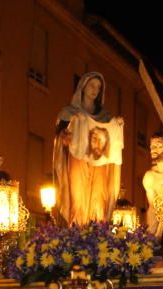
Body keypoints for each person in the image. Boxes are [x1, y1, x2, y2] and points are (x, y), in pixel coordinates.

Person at [53, 72, 123, 225]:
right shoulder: (69, 113)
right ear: (83, 87)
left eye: (98, 87)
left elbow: (111, 136)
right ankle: (77, 230)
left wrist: (116, 124)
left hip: (99, 164)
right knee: (78, 196)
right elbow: (61, 138)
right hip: (77, 160)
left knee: (98, 196)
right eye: (92, 85)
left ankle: (95, 230)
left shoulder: (105, 117)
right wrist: (70, 132)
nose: (95, 90)